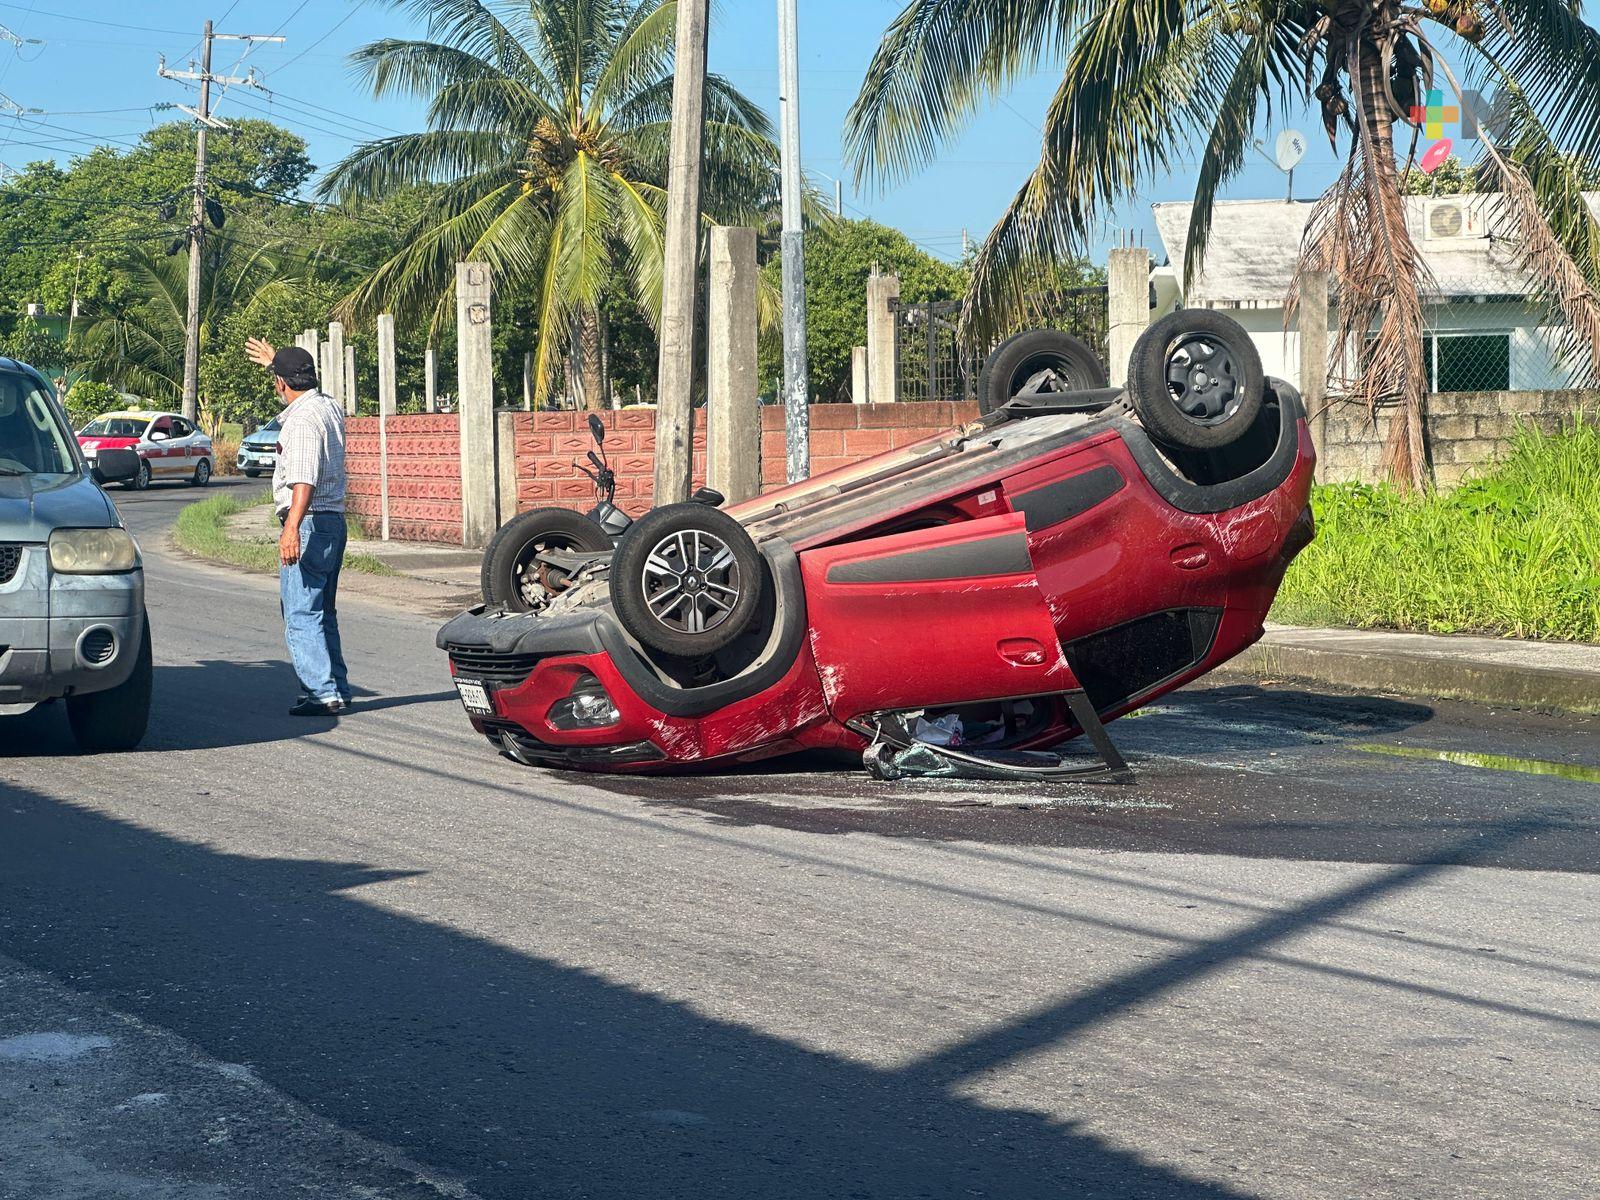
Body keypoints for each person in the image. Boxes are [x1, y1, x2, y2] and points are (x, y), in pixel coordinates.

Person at [245, 338, 352, 716]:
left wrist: (290, 528)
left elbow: (303, 480)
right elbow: (298, 383)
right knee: (322, 610)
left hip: (306, 521)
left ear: (281, 384)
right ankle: (335, 687)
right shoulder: (327, 407)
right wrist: (278, 362)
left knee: (301, 612)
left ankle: (321, 693)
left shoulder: (303, 421)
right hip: (332, 522)